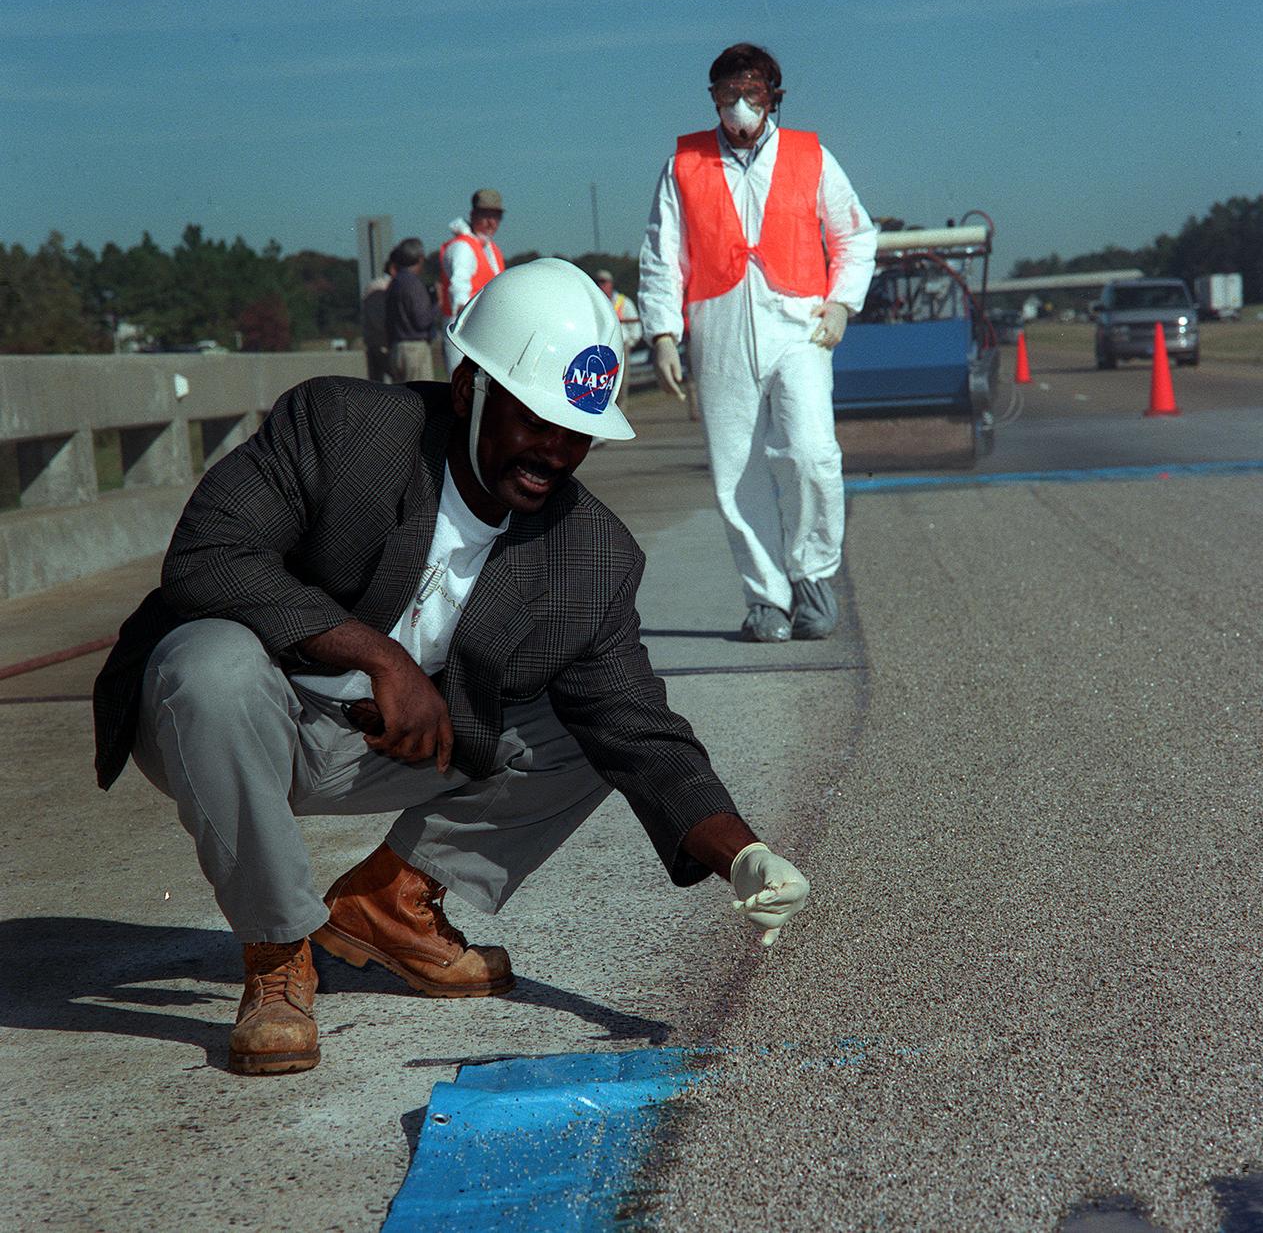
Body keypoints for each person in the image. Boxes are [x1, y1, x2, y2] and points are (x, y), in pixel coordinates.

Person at [92, 258, 810, 1078]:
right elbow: (205, 554)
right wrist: (379, 655)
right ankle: (277, 953)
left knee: (588, 736)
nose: (556, 452)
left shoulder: (591, 556)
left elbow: (638, 725)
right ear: (470, 389)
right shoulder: (344, 429)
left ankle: (390, 904)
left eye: (577, 432)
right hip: (235, 720)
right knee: (208, 662)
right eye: (536, 419)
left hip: (388, 749)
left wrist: (743, 853)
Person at [638, 42, 877, 644]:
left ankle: (814, 576)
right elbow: (662, 256)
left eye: (753, 93)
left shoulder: (809, 155)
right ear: (713, 97)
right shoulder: (683, 164)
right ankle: (766, 599)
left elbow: (854, 233)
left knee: (811, 453)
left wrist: (843, 302)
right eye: (727, 94)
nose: (739, 106)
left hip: (799, 323)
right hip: (717, 327)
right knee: (735, 471)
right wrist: (663, 332)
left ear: (774, 97)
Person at [440, 188, 506, 374]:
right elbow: (459, 287)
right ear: (473, 214)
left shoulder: (490, 248)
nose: (491, 222)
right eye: (486, 215)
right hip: (465, 330)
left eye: (496, 217)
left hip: (485, 329)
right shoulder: (463, 247)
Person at [385, 238, 438, 383]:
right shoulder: (413, 284)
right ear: (420, 258)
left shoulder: (395, 282)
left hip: (397, 349)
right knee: (420, 399)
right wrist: (437, 303)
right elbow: (422, 321)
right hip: (414, 350)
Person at [592, 269, 642, 415]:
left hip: (620, 348)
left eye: (603, 282)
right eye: (598, 282)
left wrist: (629, 343)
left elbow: (636, 328)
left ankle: (620, 414)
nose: (600, 285)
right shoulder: (594, 302)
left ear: (610, 284)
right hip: (600, 349)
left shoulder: (623, 302)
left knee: (621, 385)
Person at [360, 258, 395, 383]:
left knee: (375, 387)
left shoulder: (372, 285)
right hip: (384, 344)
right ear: (393, 268)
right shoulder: (385, 287)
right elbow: (380, 319)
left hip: (372, 343)